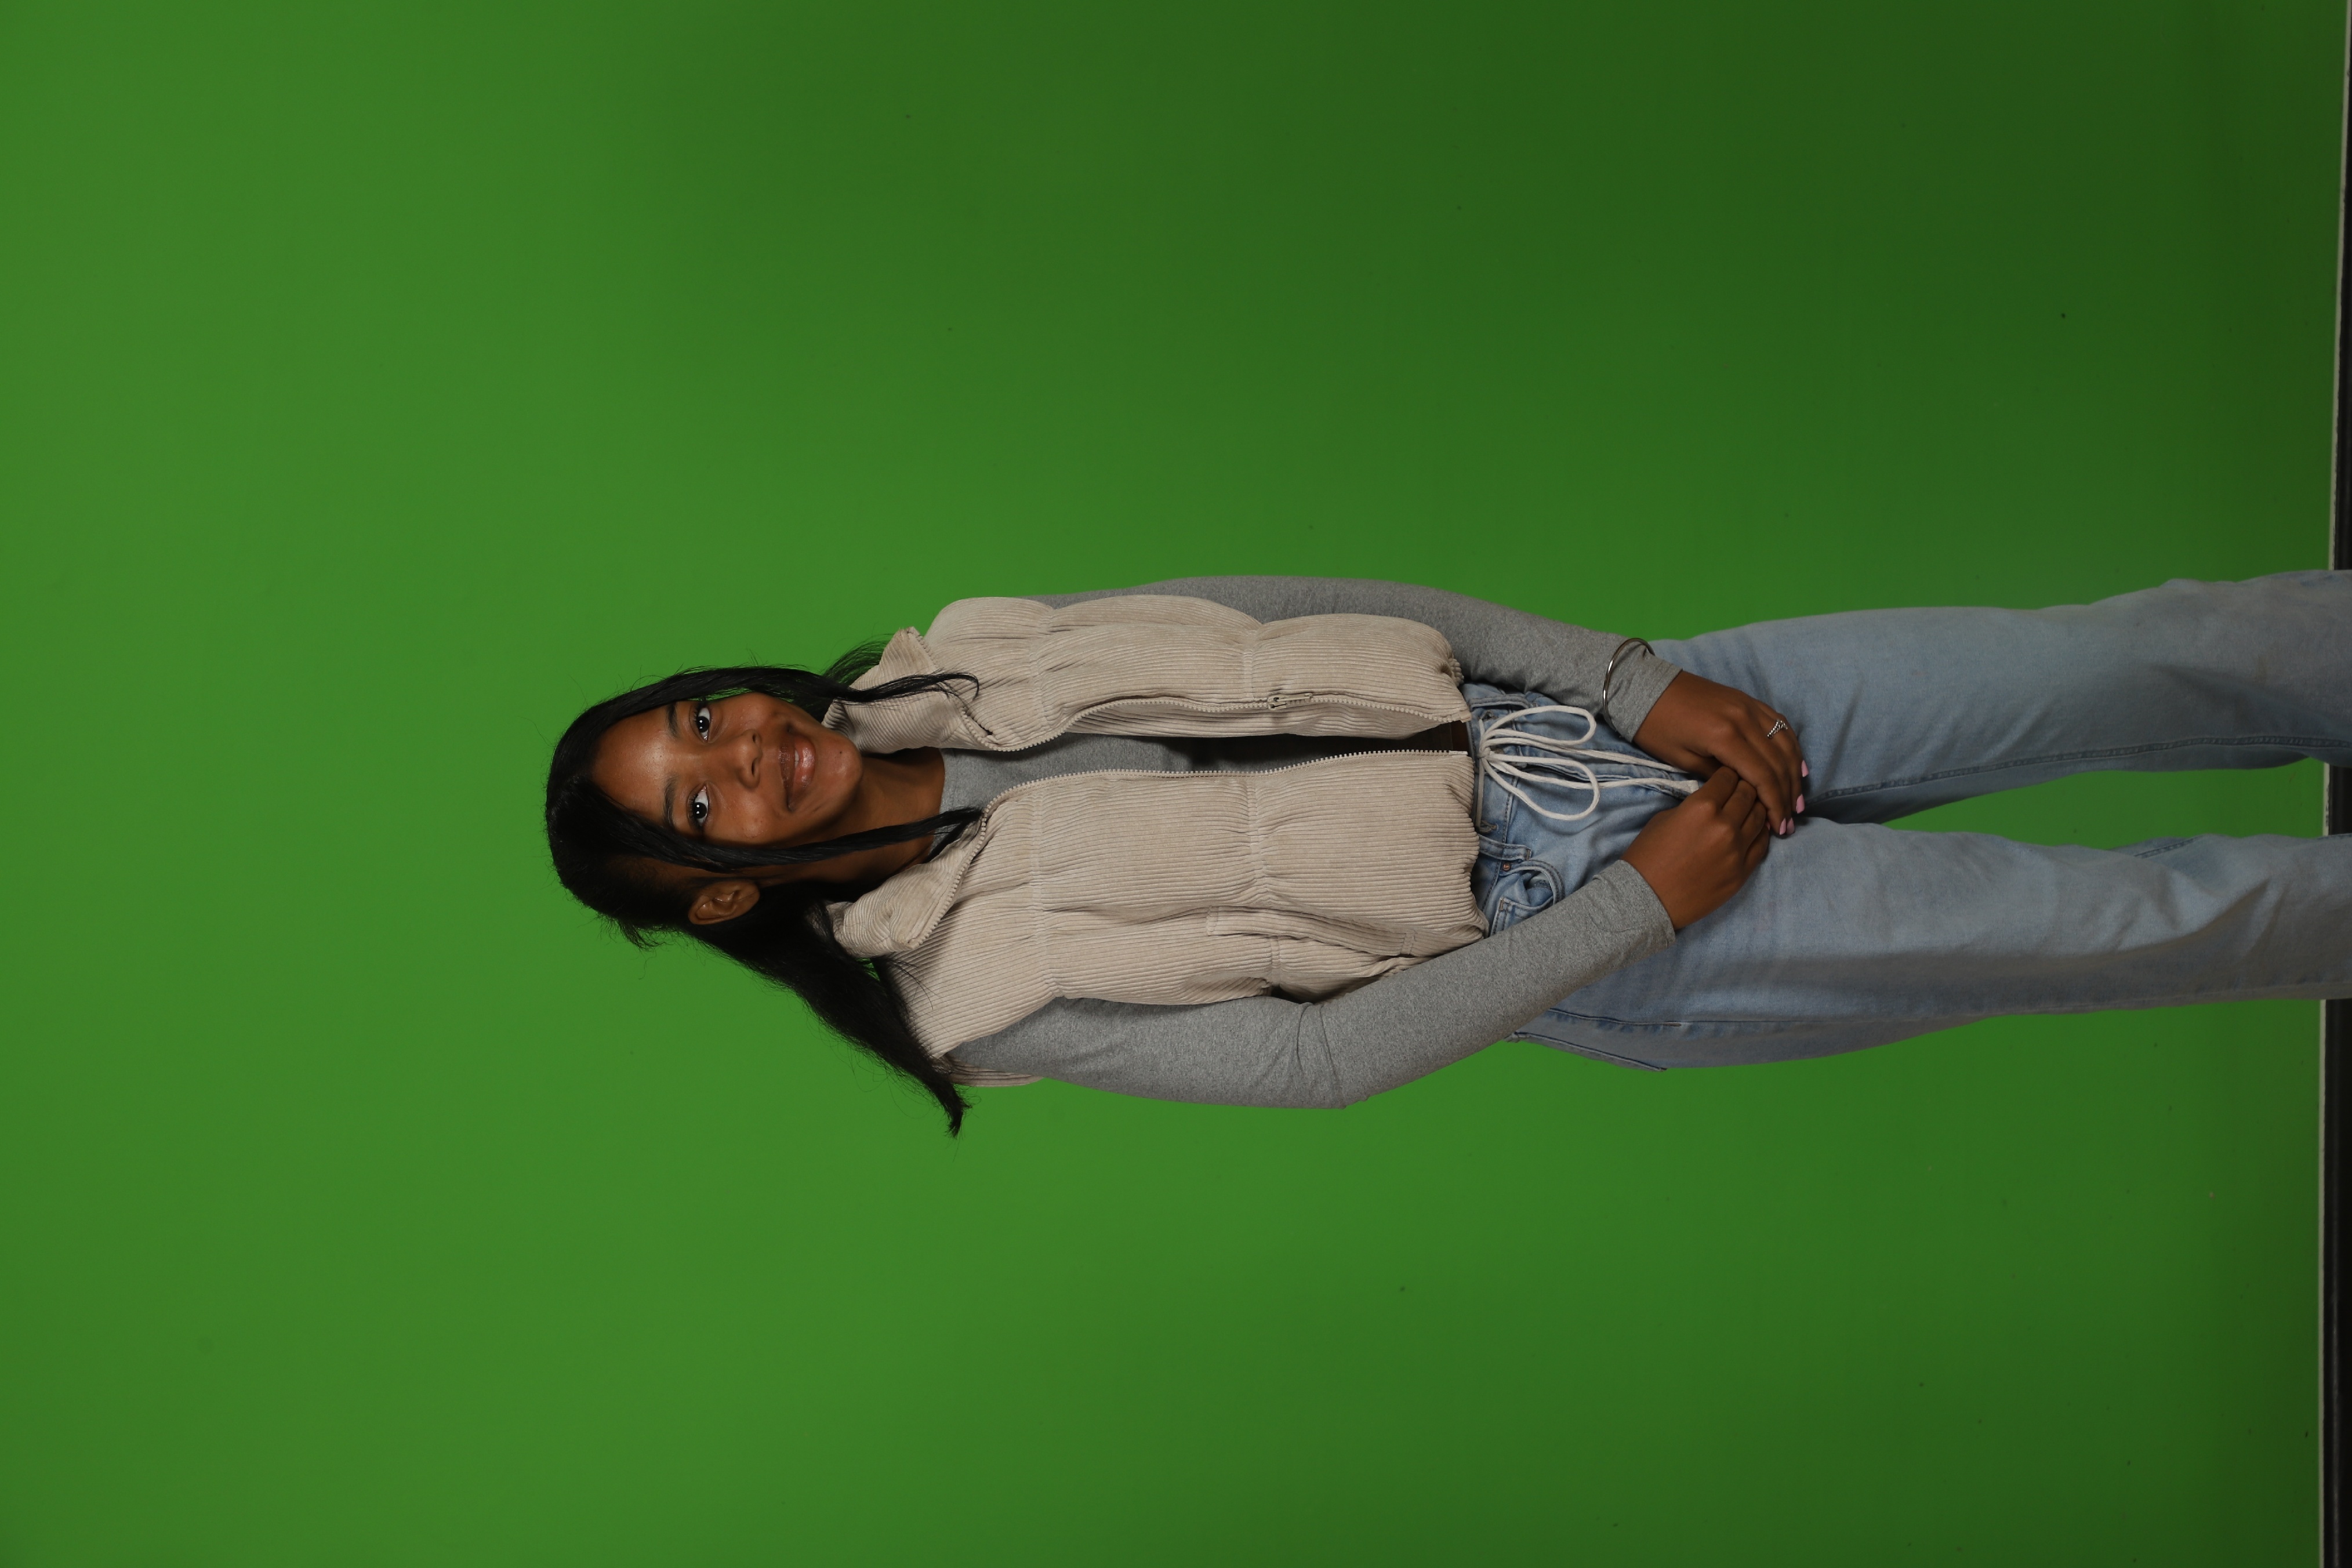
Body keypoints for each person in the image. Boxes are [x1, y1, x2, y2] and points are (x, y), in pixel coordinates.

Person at [543, 572, 2352, 1133]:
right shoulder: (972, 989)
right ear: (720, 890)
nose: (746, 753)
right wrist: (1645, 901)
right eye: (701, 805)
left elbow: (1328, 600)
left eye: (702, 715)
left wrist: (1635, 682)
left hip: (1605, 717)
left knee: (2126, 659)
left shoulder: (972, 649)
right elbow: (1314, 1065)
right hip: (1604, 920)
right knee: (2150, 917)